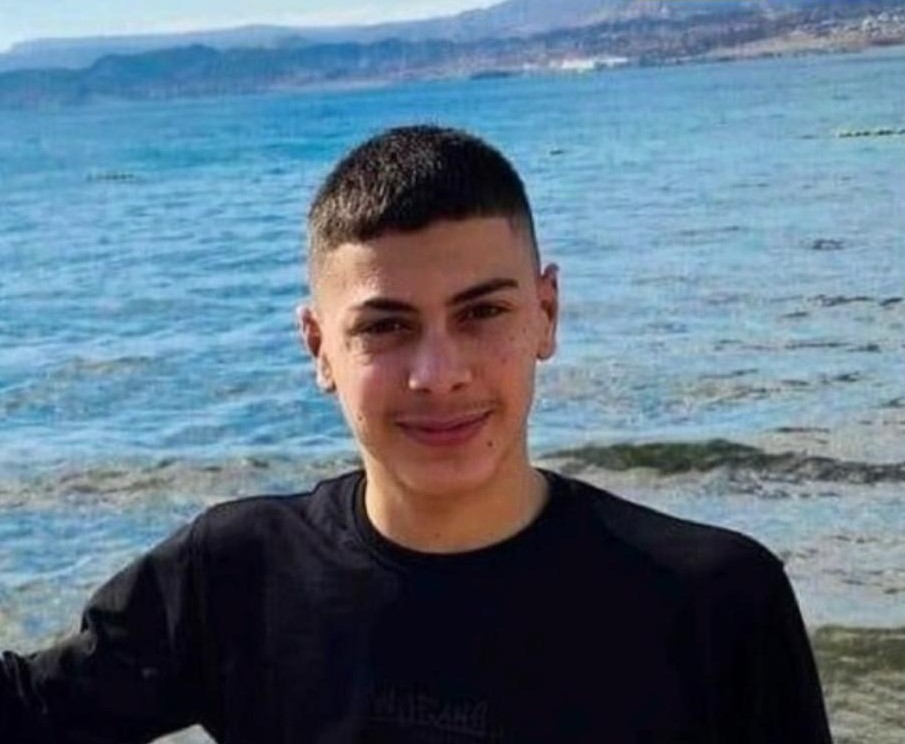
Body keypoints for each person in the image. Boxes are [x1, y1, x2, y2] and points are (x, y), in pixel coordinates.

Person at [0, 125, 832, 743]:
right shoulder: (236, 574)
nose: (438, 373)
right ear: (319, 348)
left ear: (545, 312)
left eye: (482, 312)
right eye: (385, 326)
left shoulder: (714, 600)